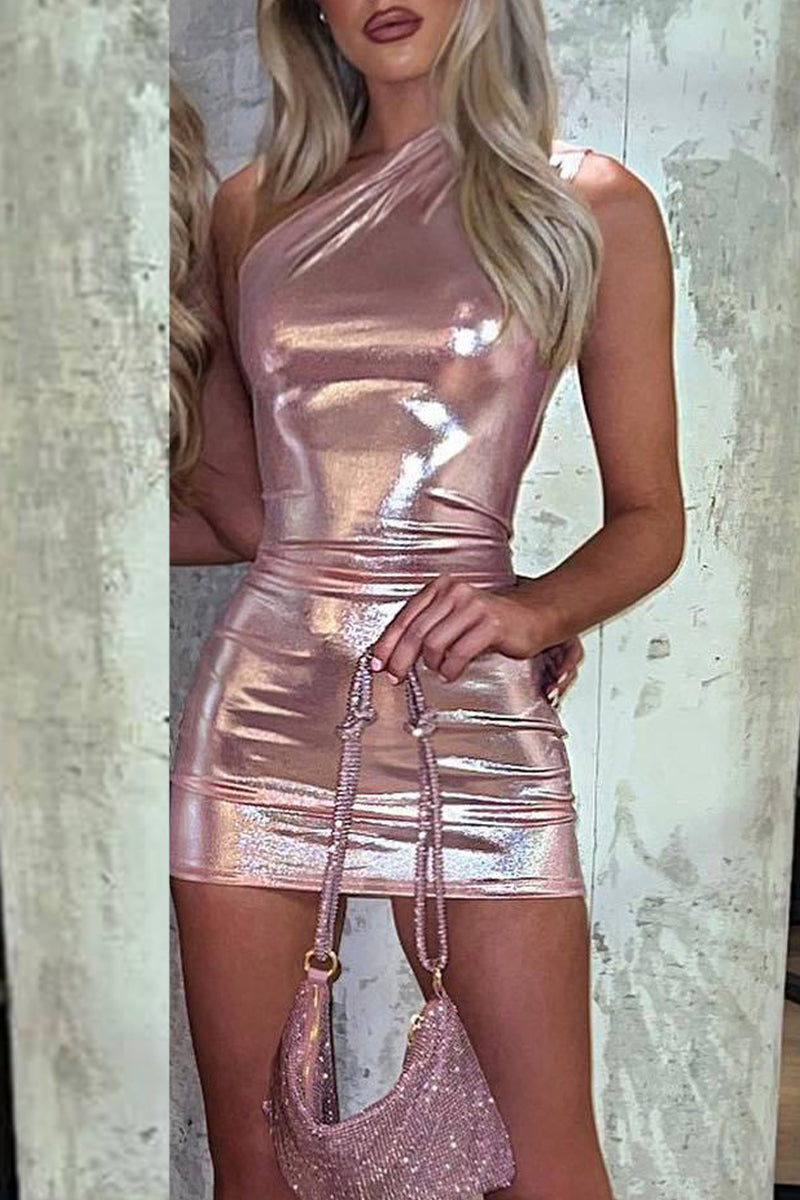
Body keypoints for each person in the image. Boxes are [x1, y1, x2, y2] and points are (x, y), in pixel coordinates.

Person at [169, 1, 684, 1197]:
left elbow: (650, 518)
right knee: (256, 1169)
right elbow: (241, 513)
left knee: (547, 1169)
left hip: (466, 709)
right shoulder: (249, 209)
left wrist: (534, 612)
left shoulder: (586, 203)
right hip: (263, 710)